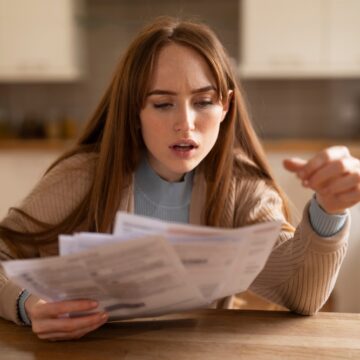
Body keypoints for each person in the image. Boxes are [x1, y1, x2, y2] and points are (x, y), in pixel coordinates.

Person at [1, 16, 359, 341]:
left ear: (226, 107)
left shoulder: (243, 185)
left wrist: (329, 211)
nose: (185, 123)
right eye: (162, 104)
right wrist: (26, 303)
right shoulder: (83, 176)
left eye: (203, 102)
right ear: (134, 111)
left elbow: (301, 293)